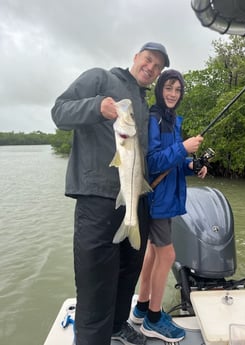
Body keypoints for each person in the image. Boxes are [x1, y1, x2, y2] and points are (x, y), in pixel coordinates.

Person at [51, 42, 170, 345]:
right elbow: (59, 112)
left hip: (135, 201)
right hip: (97, 201)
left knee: (128, 274)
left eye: (158, 67)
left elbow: (146, 155)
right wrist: (95, 107)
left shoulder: (144, 104)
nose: (151, 68)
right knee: (96, 288)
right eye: (148, 60)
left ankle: (118, 326)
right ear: (136, 57)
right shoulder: (100, 78)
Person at [130, 69, 207, 342]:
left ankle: (141, 307)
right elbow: (150, 163)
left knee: (153, 252)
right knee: (167, 255)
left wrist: (190, 165)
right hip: (157, 199)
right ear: (160, 89)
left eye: (178, 89)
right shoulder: (153, 119)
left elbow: (171, 160)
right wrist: (183, 148)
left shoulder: (172, 120)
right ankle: (153, 318)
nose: (173, 94)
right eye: (168, 88)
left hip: (168, 196)